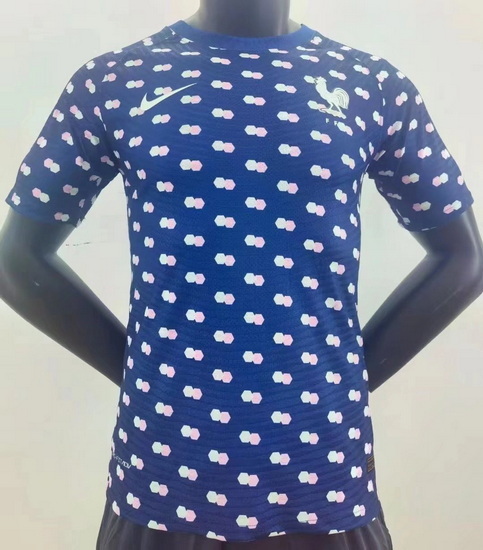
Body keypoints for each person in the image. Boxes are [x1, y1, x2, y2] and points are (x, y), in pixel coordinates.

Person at [1, 1, 482, 549]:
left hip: (323, 472)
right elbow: (17, 259)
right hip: (164, 473)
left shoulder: (369, 85)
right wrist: (149, 380)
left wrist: (336, 386)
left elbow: (463, 258)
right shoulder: (114, 81)